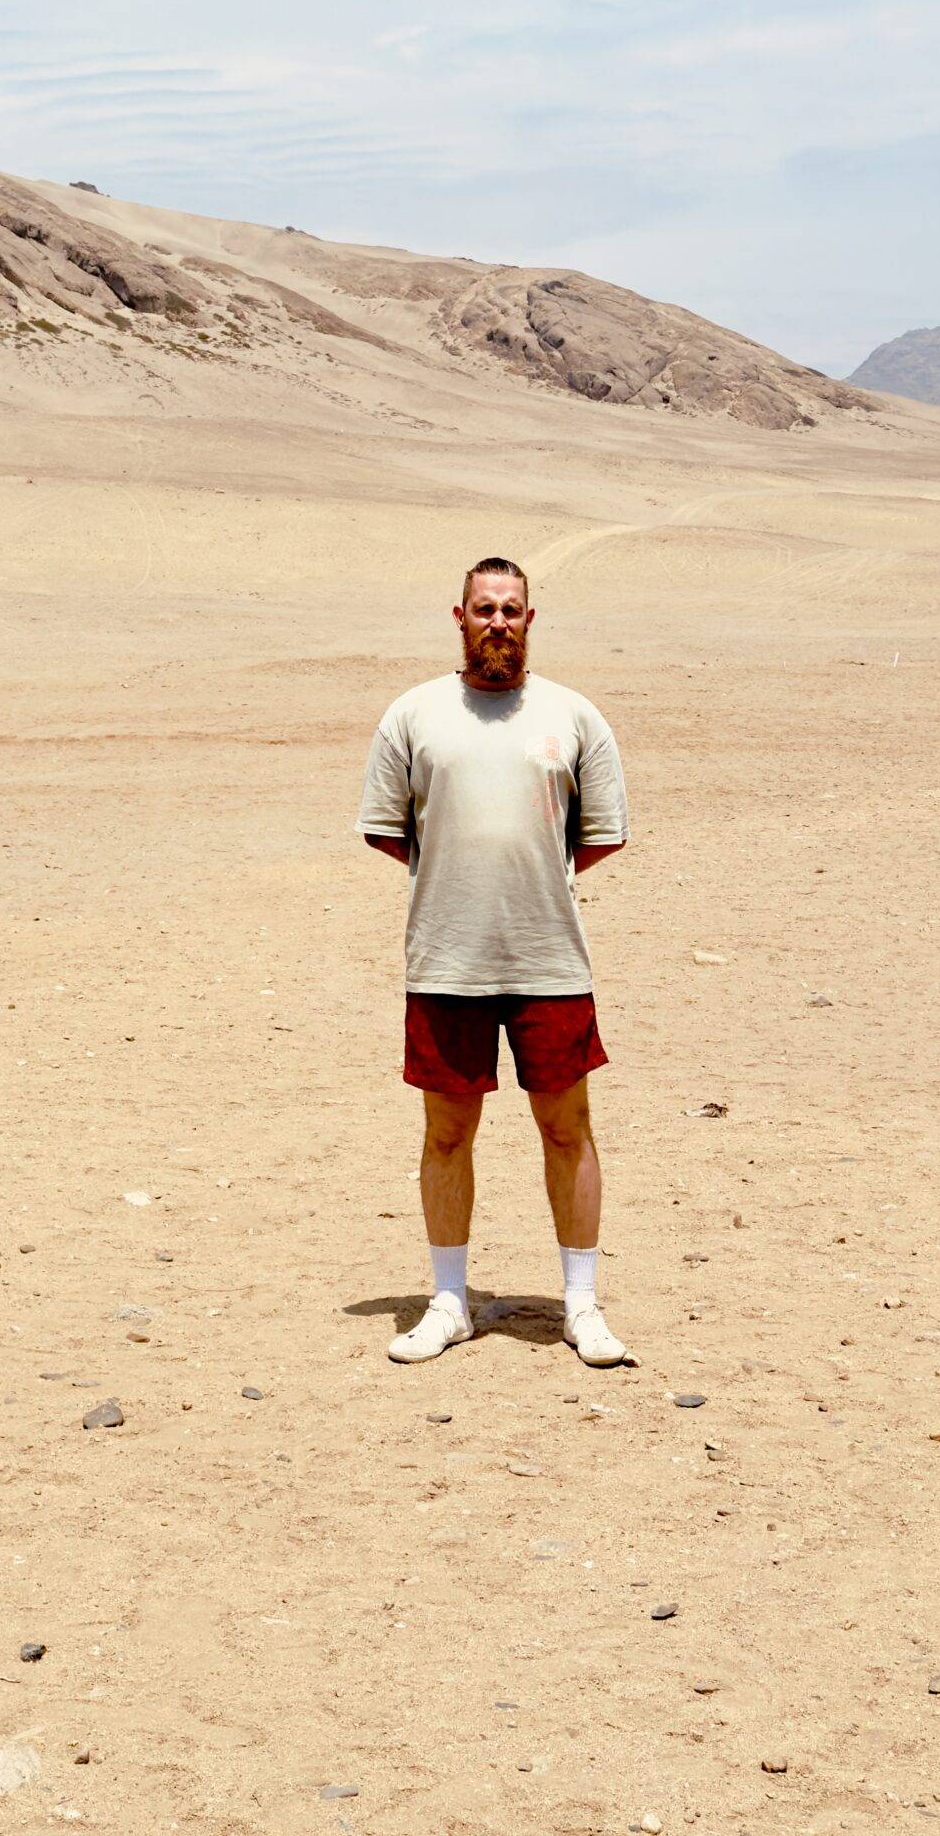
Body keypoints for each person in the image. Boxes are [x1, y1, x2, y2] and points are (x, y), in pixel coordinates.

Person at [357, 557, 631, 1369]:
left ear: (531, 618)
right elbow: (391, 828)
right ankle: (450, 1302)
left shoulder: (574, 716)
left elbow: (599, 835)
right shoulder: (414, 715)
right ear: (459, 616)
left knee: (567, 1128)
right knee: (446, 1132)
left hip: (549, 958)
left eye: (511, 609)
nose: (498, 622)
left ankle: (581, 1305)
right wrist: (466, 881)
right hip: (447, 959)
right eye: (485, 609)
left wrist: (521, 884)